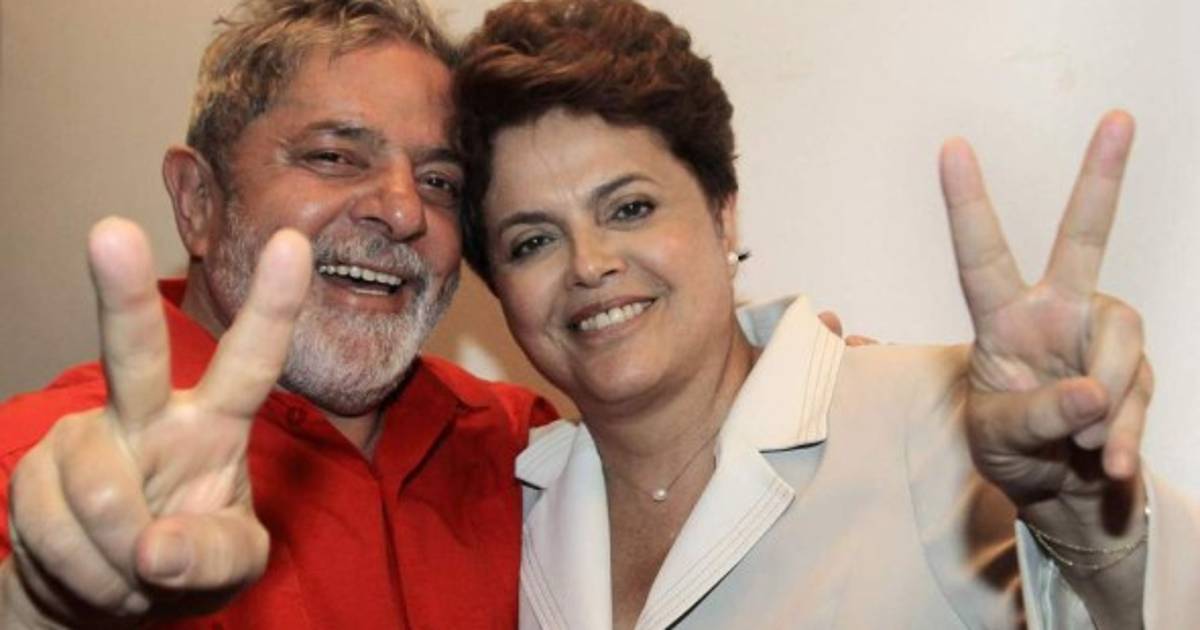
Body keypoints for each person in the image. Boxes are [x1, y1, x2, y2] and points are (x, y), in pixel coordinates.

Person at [452, 1, 1200, 628]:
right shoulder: (510, 516)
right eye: (533, 241)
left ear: (722, 214)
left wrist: (1085, 520)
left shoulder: (941, 421)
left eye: (630, 208)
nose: (589, 264)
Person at [0, 1, 561, 628]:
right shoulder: (40, 478)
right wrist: (36, 610)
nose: (405, 212)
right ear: (198, 200)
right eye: (334, 157)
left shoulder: (519, 448)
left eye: (439, 182)